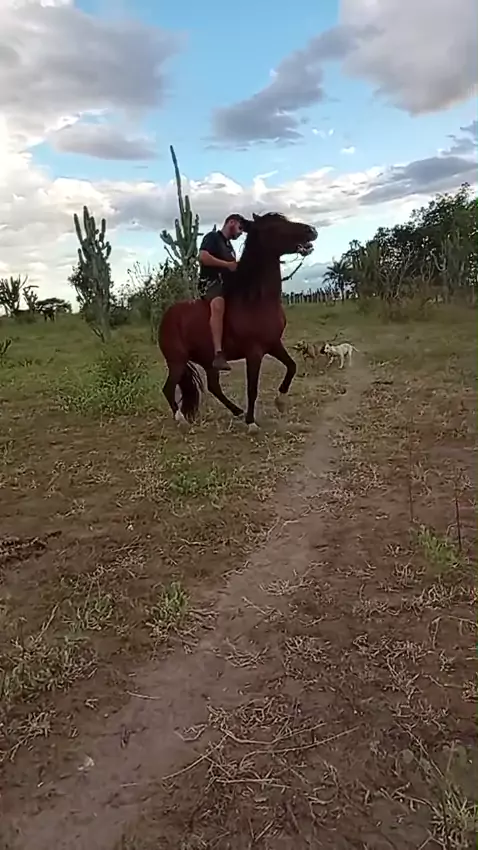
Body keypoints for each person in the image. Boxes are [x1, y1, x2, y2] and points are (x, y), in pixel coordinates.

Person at [198, 214, 245, 371]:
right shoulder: (212, 237)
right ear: (231, 222)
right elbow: (203, 257)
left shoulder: (230, 247)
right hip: (209, 283)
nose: (241, 233)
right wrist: (227, 265)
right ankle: (218, 353)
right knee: (218, 304)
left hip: (226, 285)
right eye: (240, 228)